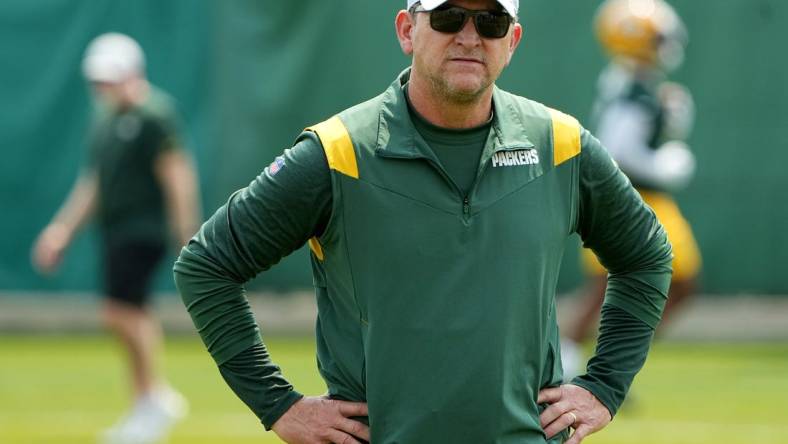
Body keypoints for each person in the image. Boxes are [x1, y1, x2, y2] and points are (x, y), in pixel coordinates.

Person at [174, 1, 673, 443]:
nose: (470, 36)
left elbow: (646, 256)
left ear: (513, 41)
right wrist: (278, 405)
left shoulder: (560, 145)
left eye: (492, 21)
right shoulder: (339, 152)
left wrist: (604, 387)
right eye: (448, 17)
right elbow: (206, 266)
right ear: (407, 30)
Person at [31, 33, 200, 444]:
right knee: (124, 312)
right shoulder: (103, 121)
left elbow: (177, 174)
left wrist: (187, 235)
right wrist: (61, 231)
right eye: (98, 81)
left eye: (110, 79)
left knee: (120, 312)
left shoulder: (154, 115)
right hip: (114, 231)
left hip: (144, 232)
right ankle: (146, 401)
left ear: (132, 73)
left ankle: (153, 396)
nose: (103, 88)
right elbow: (93, 185)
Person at [561, 0, 702, 381]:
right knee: (607, 285)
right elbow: (619, 150)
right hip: (630, 197)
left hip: (651, 199)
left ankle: (620, 358)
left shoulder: (638, 84)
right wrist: (666, 162)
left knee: (680, 281)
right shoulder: (630, 90)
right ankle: (569, 360)